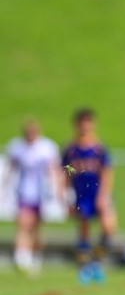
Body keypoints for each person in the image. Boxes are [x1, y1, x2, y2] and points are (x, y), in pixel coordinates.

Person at [62, 108, 117, 284]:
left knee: (109, 227)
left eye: (88, 122)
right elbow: (63, 173)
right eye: (82, 122)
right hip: (81, 194)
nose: (85, 126)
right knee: (84, 230)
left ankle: (95, 262)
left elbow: (107, 172)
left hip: (97, 192)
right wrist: (66, 196)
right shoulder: (71, 149)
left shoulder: (99, 148)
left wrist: (104, 195)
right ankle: (85, 267)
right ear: (76, 124)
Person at [5, 118, 62, 275]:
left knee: (37, 227)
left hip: (42, 193)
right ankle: (22, 257)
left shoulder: (46, 147)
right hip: (23, 192)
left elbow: (54, 169)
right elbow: (10, 168)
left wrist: (56, 191)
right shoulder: (16, 147)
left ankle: (36, 256)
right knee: (23, 223)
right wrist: (6, 189)